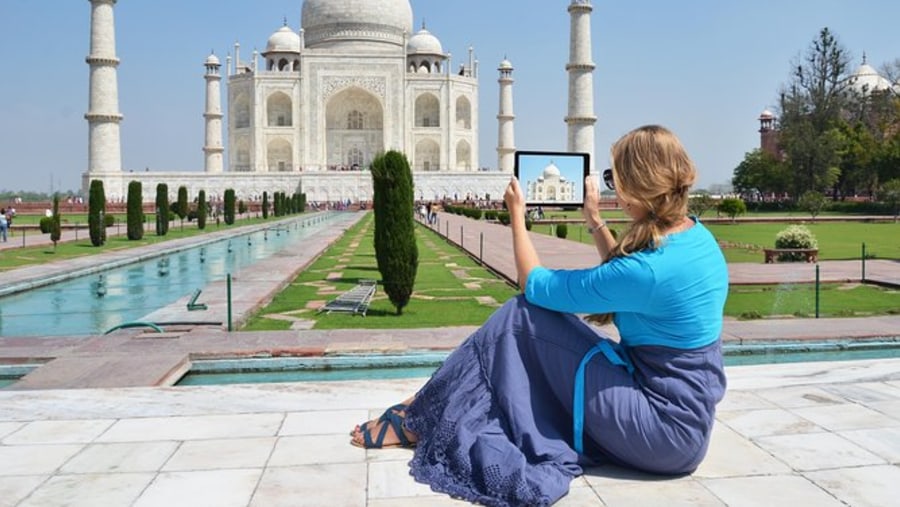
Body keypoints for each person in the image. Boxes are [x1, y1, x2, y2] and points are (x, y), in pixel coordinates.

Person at [350, 125, 728, 506]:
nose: (613, 187)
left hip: (659, 431)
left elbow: (534, 284)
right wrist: (595, 221)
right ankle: (425, 407)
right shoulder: (696, 238)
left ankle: (421, 414)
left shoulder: (645, 271)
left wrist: (516, 215)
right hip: (687, 425)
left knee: (521, 315)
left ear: (638, 184)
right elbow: (631, 275)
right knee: (536, 323)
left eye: (615, 178)